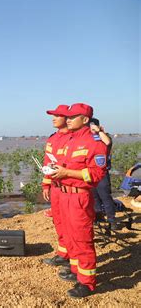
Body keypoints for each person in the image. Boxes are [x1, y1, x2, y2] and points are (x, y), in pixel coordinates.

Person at [51, 103, 108, 298]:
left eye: (72, 116)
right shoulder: (70, 140)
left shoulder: (95, 142)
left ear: (85, 119)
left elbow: (97, 173)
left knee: (82, 240)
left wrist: (67, 172)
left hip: (79, 197)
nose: (67, 119)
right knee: (71, 237)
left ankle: (87, 283)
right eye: (67, 116)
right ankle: (77, 272)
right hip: (64, 194)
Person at [41, 105, 72, 268]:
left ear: (67, 119)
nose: (53, 119)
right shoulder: (52, 138)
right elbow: (48, 163)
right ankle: (63, 253)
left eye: (57, 116)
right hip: (56, 188)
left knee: (71, 224)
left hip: (70, 188)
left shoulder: (75, 138)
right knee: (58, 221)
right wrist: (46, 185)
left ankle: (74, 258)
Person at [89, 118, 119, 230]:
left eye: (92, 126)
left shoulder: (104, 137)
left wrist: (99, 131)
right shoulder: (87, 139)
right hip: (90, 173)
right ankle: (99, 218)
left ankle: (112, 220)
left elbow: (108, 142)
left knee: (105, 197)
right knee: (94, 198)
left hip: (102, 173)